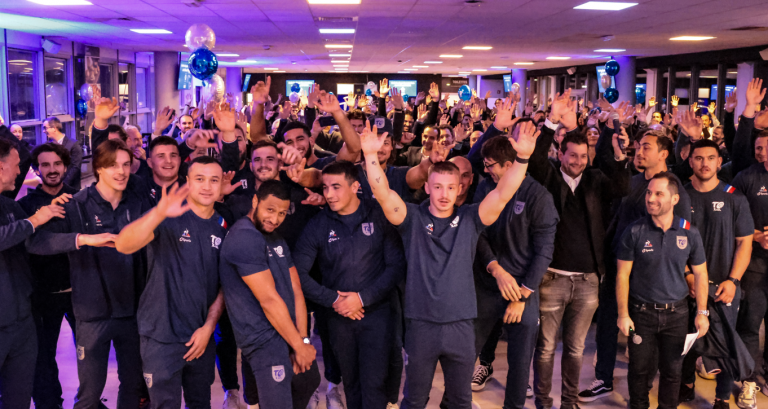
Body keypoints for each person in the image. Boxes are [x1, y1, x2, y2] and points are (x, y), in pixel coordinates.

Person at [360, 116, 538, 409]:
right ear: (428, 188)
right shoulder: (412, 219)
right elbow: (383, 193)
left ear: (459, 189)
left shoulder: (470, 218)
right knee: (414, 400)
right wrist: (369, 155)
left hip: (461, 325)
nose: (444, 194)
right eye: (438, 187)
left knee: (460, 400)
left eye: (450, 188)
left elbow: (504, 193)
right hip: (421, 325)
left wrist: (523, 158)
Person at [26, 139, 152, 409]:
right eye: (113, 165)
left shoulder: (136, 202)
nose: (121, 171)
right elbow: (36, 242)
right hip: (91, 315)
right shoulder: (75, 204)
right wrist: (83, 239)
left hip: (131, 312)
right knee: (89, 395)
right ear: (98, 168)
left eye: (126, 165)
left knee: (132, 386)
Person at [588, 125, 693, 400]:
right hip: (618, 265)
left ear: (663, 154)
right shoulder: (632, 181)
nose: (639, 151)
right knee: (608, 320)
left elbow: (681, 233)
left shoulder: (672, 188)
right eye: (638, 146)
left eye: (646, 147)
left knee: (646, 333)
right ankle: (603, 377)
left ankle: (643, 386)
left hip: (649, 273)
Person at [113, 156, 226, 408]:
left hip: (201, 338)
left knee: (201, 404)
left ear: (221, 186)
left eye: (214, 180)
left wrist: (209, 327)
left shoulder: (223, 227)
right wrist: (158, 213)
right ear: (188, 182)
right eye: (200, 179)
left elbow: (224, 286)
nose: (207, 186)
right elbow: (123, 244)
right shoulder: (165, 216)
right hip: (160, 337)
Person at [293, 161, 406, 409]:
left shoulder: (378, 215)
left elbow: (395, 267)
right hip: (339, 317)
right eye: (325, 188)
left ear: (355, 187)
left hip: (377, 315)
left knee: (375, 384)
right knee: (351, 385)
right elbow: (296, 273)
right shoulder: (319, 224)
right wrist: (334, 299)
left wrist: (362, 298)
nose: (329, 194)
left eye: (336, 187)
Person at [469, 130, 558, 409]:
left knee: (520, 365)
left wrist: (522, 297)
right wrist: (495, 268)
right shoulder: (486, 187)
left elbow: (544, 251)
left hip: (522, 290)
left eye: (490, 165)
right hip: (487, 284)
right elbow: (478, 234)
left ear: (509, 165)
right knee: (464, 354)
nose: (486, 170)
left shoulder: (539, 197)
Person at [219, 180, 320, 409]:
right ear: (255, 201)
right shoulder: (244, 237)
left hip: (288, 333)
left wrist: (302, 340)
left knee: (308, 380)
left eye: (282, 213)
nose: (275, 219)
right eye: (270, 210)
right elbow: (269, 301)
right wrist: (299, 346)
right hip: (264, 340)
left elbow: (296, 289)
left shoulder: (275, 237)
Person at [616, 172, 710, 409]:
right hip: (641, 313)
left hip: (677, 315)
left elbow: (701, 274)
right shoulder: (634, 231)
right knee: (638, 371)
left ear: (675, 199)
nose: (650, 198)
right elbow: (622, 275)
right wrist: (623, 314)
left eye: (659, 193)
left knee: (672, 372)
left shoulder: (689, 232)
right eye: (649, 193)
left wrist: (702, 312)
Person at [679, 139, 754, 409]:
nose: (705, 163)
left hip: (723, 286)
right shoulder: (680, 196)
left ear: (719, 162)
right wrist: (687, 274)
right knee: (686, 341)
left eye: (711, 158)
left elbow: (744, 242)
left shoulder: (734, 197)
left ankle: (722, 398)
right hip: (686, 284)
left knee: (724, 344)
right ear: (690, 161)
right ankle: (686, 385)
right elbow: (673, 239)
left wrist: (733, 281)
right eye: (699, 158)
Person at [0, 138, 64, 409]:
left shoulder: (9, 206)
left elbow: (33, 241)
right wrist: (36, 219)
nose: (19, 172)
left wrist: (83, 240)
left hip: (22, 320)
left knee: (19, 396)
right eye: (16, 166)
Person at [17, 143, 80, 409]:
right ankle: (49, 404)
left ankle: (88, 400)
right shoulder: (25, 206)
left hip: (80, 292)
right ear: (37, 168)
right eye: (45, 165)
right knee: (43, 356)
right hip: (43, 294)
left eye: (56, 164)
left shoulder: (80, 199)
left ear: (65, 166)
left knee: (89, 353)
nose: (52, 170)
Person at [732, 130, 768, 409]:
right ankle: (749, 382)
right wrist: (756, 236)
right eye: (758, 148)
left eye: (765, 147)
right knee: (750, 325)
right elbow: (732, 218)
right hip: (754, 265)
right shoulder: (746, 178)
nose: (761, 152)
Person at [43, 116, 82, 189]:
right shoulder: (47, 145)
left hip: (71, 188)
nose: (43, 131)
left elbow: (76, 167)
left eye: (45, 128)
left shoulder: (73, 144)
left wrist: (63, 185)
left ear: (54, 128)